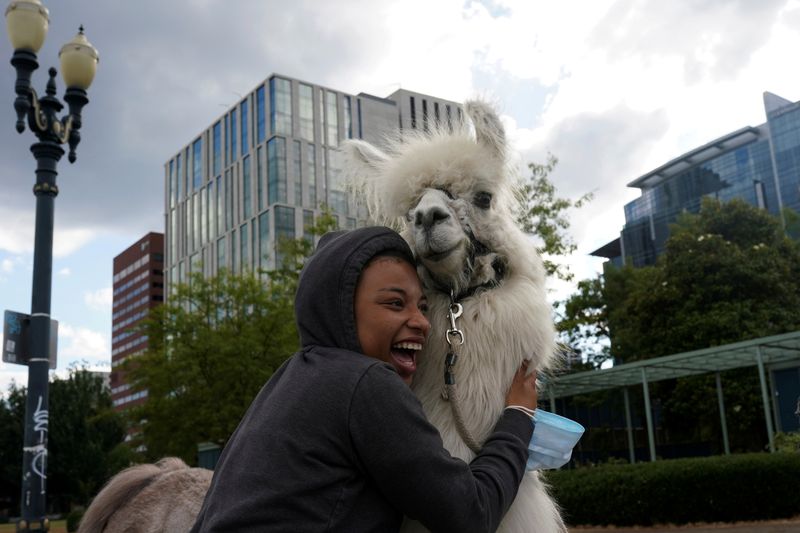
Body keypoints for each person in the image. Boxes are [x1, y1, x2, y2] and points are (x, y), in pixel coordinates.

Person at [190, 226, 538, 532]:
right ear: (340, 309)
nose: (421, 322)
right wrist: (518, 418)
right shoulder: (365, 382)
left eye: (422, 307)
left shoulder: (290, 379)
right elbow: (471, 515)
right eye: (395, 304)